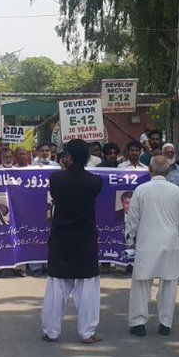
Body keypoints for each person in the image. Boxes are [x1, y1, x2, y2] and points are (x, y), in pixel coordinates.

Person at [40, 139, 104, 343]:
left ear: (68, 157)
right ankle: (87, 332)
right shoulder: (95, 182)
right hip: (85, 239)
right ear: (87, 157)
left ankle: (51, 331)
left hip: (62, 238)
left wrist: (64, 168)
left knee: (57, 287)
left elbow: (56, 194)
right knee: (88, 288)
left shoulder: (57, 179)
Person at [124, 156, 179, 336]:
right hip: (170, 242)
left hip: (147, 242)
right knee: (169, 283)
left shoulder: (141, 190)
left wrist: (129, 240)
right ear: (168, 171)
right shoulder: (176, 191)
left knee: (141, 284)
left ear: (149, 170)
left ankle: (138, 323)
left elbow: (132, 219)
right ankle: (165, 323)